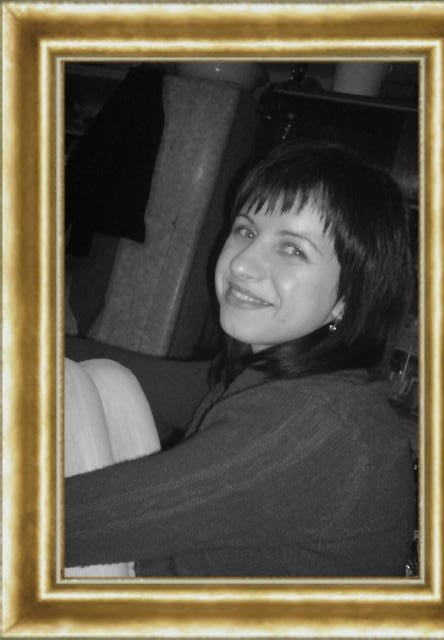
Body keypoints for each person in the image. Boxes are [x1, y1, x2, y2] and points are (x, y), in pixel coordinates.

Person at [65, 141, 417, 577]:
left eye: (293, 250)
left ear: (349, 297)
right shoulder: (287, 376)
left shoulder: (311, 424)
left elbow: (63, 526)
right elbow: (145, 378)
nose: (242, 264)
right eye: (247, 232)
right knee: (103, 378)